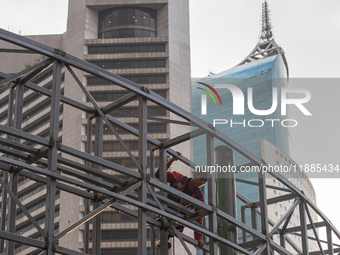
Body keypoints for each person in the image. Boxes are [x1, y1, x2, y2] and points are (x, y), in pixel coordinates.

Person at [155, 151, 207, 249]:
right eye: (201, 178)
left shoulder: (199, 196)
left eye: (205, 181)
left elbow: (199, 218)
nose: (202, 182)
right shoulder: (179, 178)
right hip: (167, 207)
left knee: (184, 217)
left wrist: (198, 237)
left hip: (179, 218)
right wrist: (172, 160)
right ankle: (164, 238)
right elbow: (158, 174)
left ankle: (165, 238)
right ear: (195, 174)